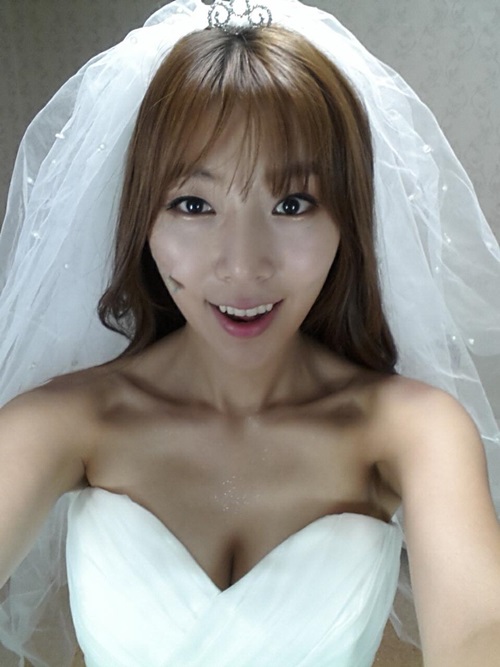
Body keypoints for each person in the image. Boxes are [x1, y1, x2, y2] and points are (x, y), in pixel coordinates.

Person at [0, 0, 499, 665]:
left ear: (347, 219)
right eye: (193, 204)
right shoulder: (55, 423)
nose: (242, 265)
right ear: (143, 222)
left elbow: (478, 636)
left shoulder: (416, 431)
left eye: (292, 204)